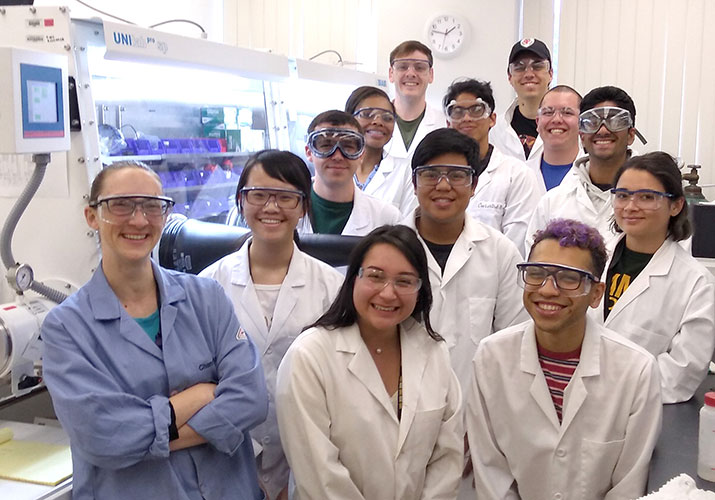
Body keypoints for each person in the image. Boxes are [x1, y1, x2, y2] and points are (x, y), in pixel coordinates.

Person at [41, 161, 268, 500]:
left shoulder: (206, 297)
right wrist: (197, 399)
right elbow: (103, 438)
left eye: (152, 206)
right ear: (92, 216)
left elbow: (251, 399)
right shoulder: (66, 328)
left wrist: (145, 433)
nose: (138, 219)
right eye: (121, 205)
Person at [467, 218, 662, 500]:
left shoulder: (636, 371)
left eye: (569, 278)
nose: (547, 289)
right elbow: (491, 473)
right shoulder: (491, 357)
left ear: (596, 294)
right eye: (536, 274)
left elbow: (628, 486)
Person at [276, 225, 463, 499]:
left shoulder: (434, 353)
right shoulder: (310, 356)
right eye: (375, 276)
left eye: (404, 281)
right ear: (354, 278)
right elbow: (319, 476)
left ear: (420, 289)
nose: (388, 293)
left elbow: (447, 460)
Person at [198, 150, 344, 499]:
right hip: (226, 451)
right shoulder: (208, 284)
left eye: (285, 197)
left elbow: (340, 384)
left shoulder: (331, 286)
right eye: (258, 195)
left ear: (304, 206)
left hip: (307, 453)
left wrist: (305, 469)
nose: (271, 207)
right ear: (241, 200)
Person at [593, 151, 715, 403]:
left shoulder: (695, 283)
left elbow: (681, 374)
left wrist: (610, 390)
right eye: (623, 195)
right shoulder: (592, 258)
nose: (630, 207)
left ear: (676, 205)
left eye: (647, 197)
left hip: (639, 411)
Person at [526, 85, 639, 251]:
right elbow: (535, 266)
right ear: (582, 135)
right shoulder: (553, 202)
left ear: (631, 135)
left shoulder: (652, 197)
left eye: (614, 121)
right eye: (593, 122)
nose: (603, 130)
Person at [443, 78, 543, 253]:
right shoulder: (435, 175)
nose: (466, 118)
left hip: (496, 277)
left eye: (476, 110)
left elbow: (516, 247)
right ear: (448, 123)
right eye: (457, 112)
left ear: (492, 119)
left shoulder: (517, 175)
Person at [304, 109, 401, 235]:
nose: (337, 156)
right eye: (326, 146)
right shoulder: (286, 211)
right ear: (309, 152)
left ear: (361, 154)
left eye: (348, 147)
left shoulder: (388, 218)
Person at [345, 86, 416, 216]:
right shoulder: (335, 165)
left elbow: (408, 226)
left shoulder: (407, 171)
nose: (378, 122)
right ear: (349, 120)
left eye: (387, 118)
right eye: (367, 114)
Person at [384, 40, 446, 165]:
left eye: (419, 67)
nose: (411, 74)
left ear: (430, 75)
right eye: (402, 67)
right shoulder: (373, 123)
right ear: (391, 74)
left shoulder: (445, 125)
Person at [491, 38, 553, 162]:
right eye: (519, 67)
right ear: (510, 77)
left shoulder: (568, 127)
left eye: (537, 66)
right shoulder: (494, 131)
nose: (529, 74)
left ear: (550, 74)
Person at [526, 85, 583, 191]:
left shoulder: (594, 175)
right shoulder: (519, 174)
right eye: (548, 112)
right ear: (538, 123)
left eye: (567, 113)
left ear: (582, 123)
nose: (556, 120)